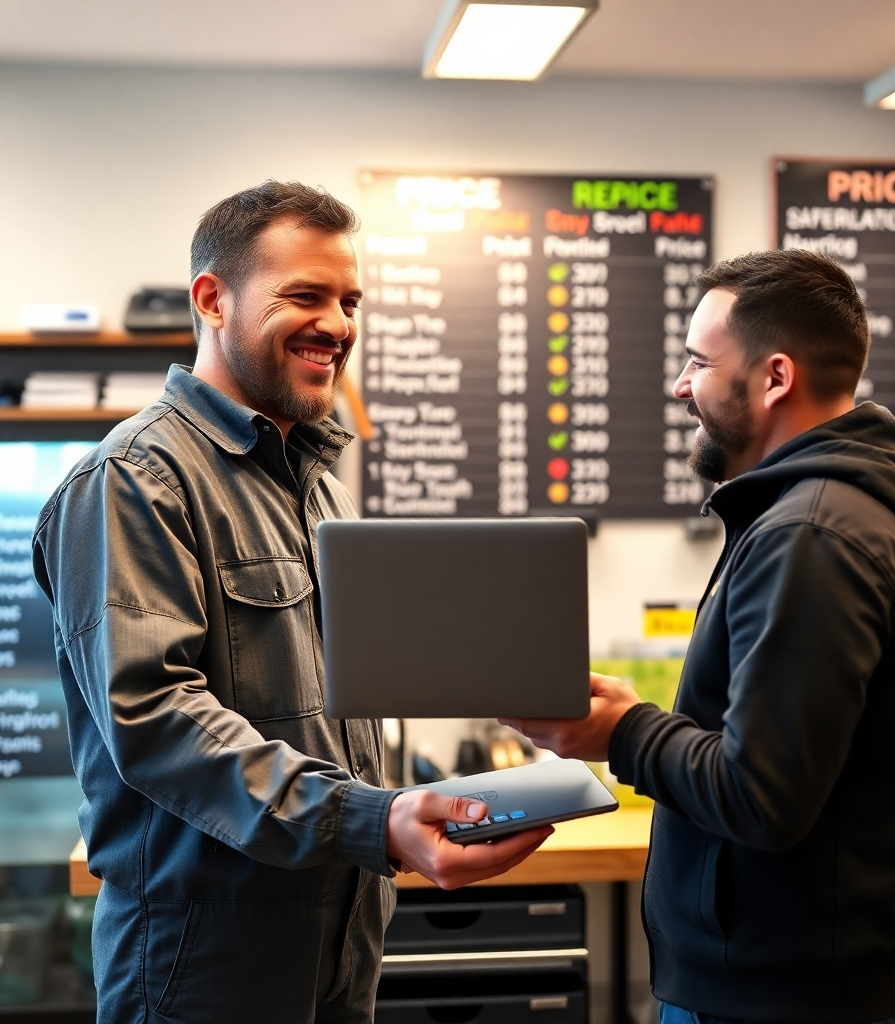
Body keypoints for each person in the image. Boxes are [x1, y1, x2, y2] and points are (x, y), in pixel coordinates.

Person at [32, 181, 552, 1024]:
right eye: (305, 295)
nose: (340, 324)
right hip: (204, 960)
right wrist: (372, 820)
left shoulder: (316, 488)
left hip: (341, 935)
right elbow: (157, 718)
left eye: (350, 301)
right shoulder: (133, 479)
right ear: (212, 299)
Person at [504, 249, 895, 1024]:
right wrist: (633, 722)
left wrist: (621, 731)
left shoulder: (812, 536)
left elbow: (761, 796)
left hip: (781, 998)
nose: (681, 386)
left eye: (696, 362)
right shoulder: (821, 516)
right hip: (800, 983)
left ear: (775, 376)